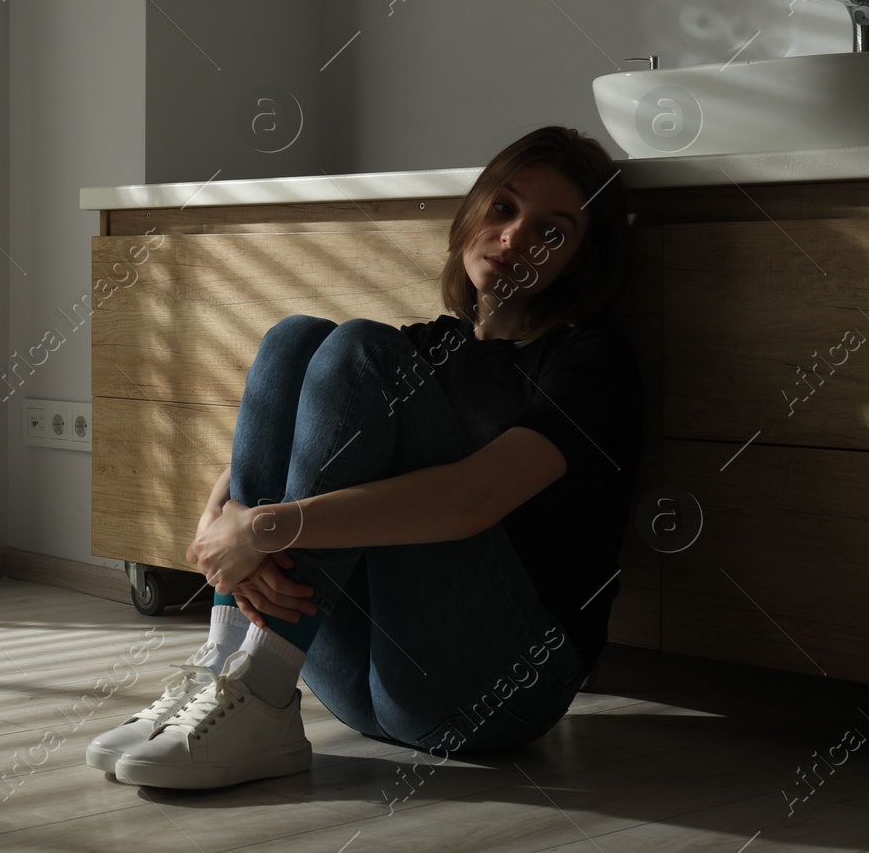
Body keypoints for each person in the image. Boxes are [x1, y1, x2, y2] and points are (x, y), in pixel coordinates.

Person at [85, 125, 646, 791]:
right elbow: (297, 439)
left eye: (552, 232)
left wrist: (262, 529)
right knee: (297, 340)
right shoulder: (430, 347)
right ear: (471, 211)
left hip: (496, 690)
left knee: (358, 350)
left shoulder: (591, 360)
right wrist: (222, 520)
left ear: (580, 261)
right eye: (503, 208)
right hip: (364, 685)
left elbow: (471, 500)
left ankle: (256, 684)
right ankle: (233, 669)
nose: (514, 238)